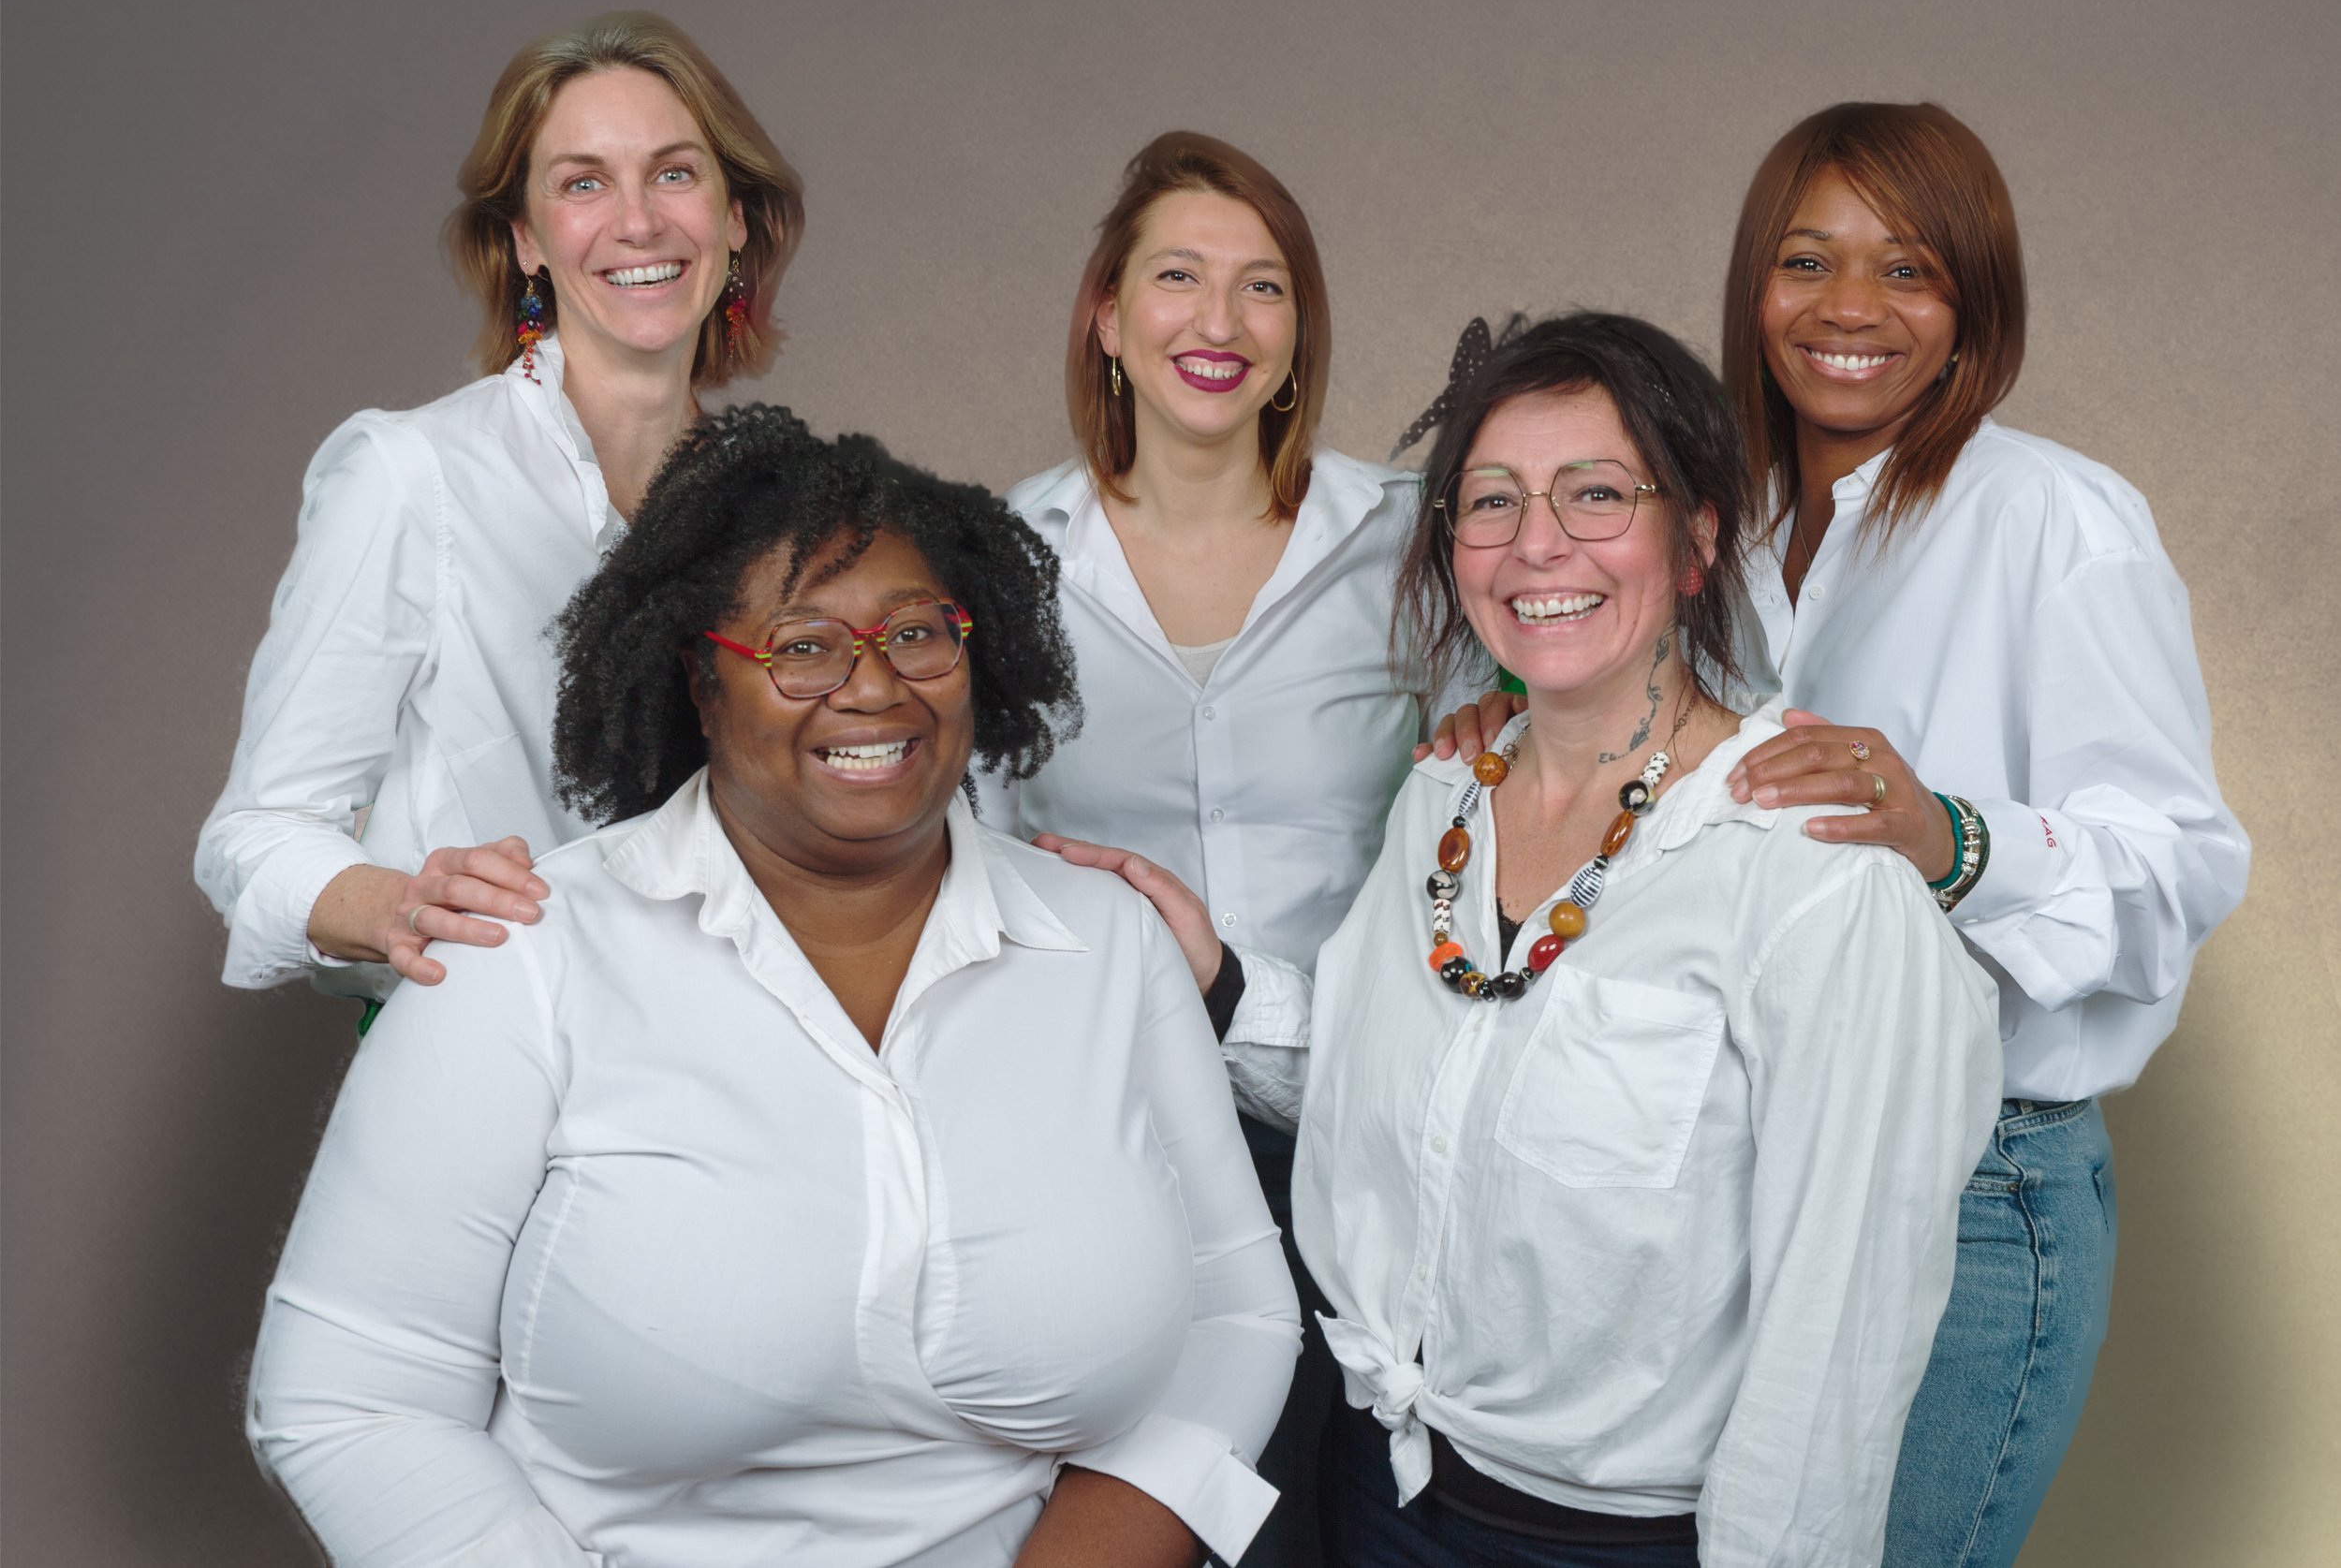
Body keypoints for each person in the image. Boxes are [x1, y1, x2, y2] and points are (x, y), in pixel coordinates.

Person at [244, 408, 1302, 1568]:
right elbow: (350, 1396)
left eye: (916, 635)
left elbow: (1235, 1315)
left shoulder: (1109, 946)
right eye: (802, 645)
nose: (872, 688)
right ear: (701, 682)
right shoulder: (522, 953)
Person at [1435, 104, 2250, 1566]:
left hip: (1973, 1190)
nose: (1851, 311)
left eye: (1910, 269)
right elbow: (1639, 774)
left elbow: (2180, 867)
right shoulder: (1720, 527)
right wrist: (1502, 731)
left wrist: (1945, 832)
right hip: (1735, 1172)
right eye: (1808, 261)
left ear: (1974, 304)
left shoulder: (2059, 522)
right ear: (1755, 286)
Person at [1067, 313, 2004, 1564]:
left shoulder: (1814, 877)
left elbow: (1838, 1343)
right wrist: (1216, 980)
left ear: (1698, 537)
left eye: (1598, 494)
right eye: (1491, 502)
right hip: (1372, 1490)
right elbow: (1382, 1103)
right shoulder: (1444, 801)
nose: (1537, 544)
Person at [981, 130, 1452, 1566]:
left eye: (1263, 287)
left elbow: (1490, 806)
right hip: (1111, 1137)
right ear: (1107, 319)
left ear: (1300, 335)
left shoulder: (1412, 541)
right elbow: (972, 843)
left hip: (1360, 1125)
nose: (1219, 321)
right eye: (1177, 277)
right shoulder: (1002, 555)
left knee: (1349, 1523)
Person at [195, 10, 803, 1012]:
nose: (639, 220)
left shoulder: (790, 507)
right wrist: (399, 903)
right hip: (489, 1062)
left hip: (728, 1071)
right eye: (582, 182)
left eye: (676, 172)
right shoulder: (411, 475)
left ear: (735, 216)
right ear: (525, 238)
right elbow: (254, 836)